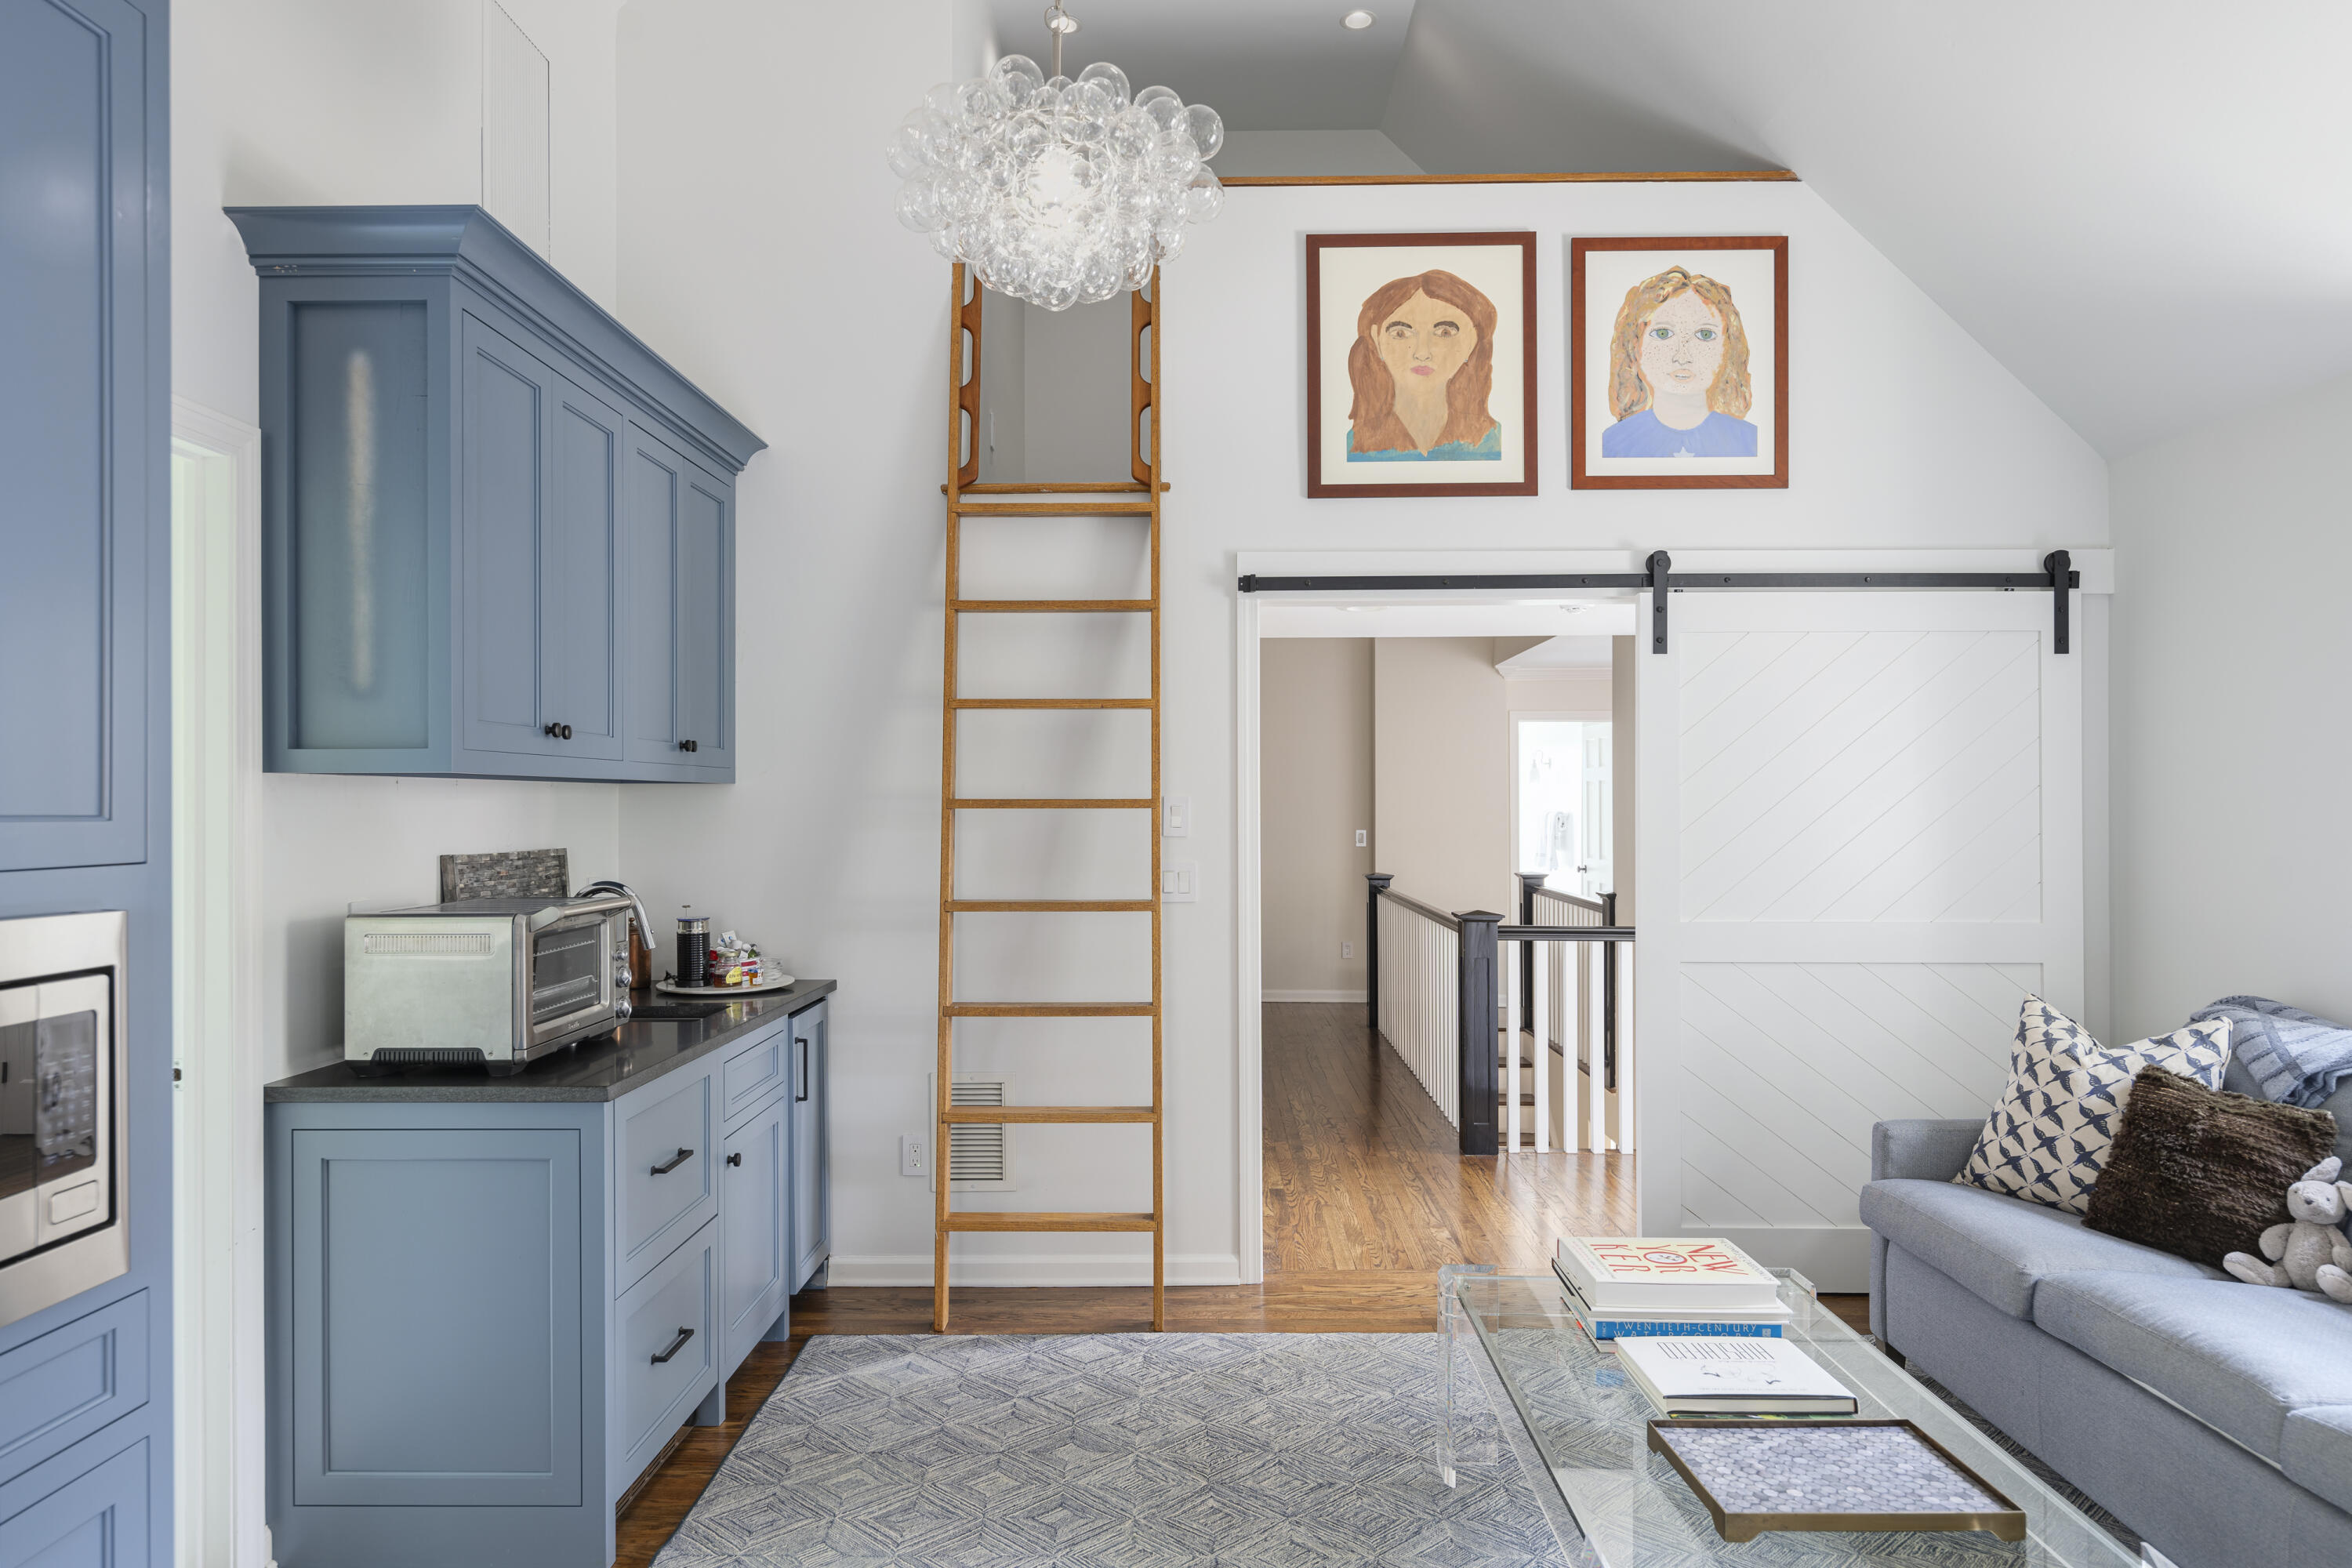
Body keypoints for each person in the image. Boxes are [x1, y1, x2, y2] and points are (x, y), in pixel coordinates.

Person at [1345, 269, 1501, 462]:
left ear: (1472, 341)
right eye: (1400, 333)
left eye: (1444, 332)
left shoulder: (1492, 442)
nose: (1422, 353)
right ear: (1376, 340)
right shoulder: (1354, 447)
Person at [1601, 267, 1758, 459]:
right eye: (1663, 334)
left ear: (1728, 348)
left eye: (1705, 335)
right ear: (1635, 344)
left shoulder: (1750, 442)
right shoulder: (1612, 444)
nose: (1682, 356)